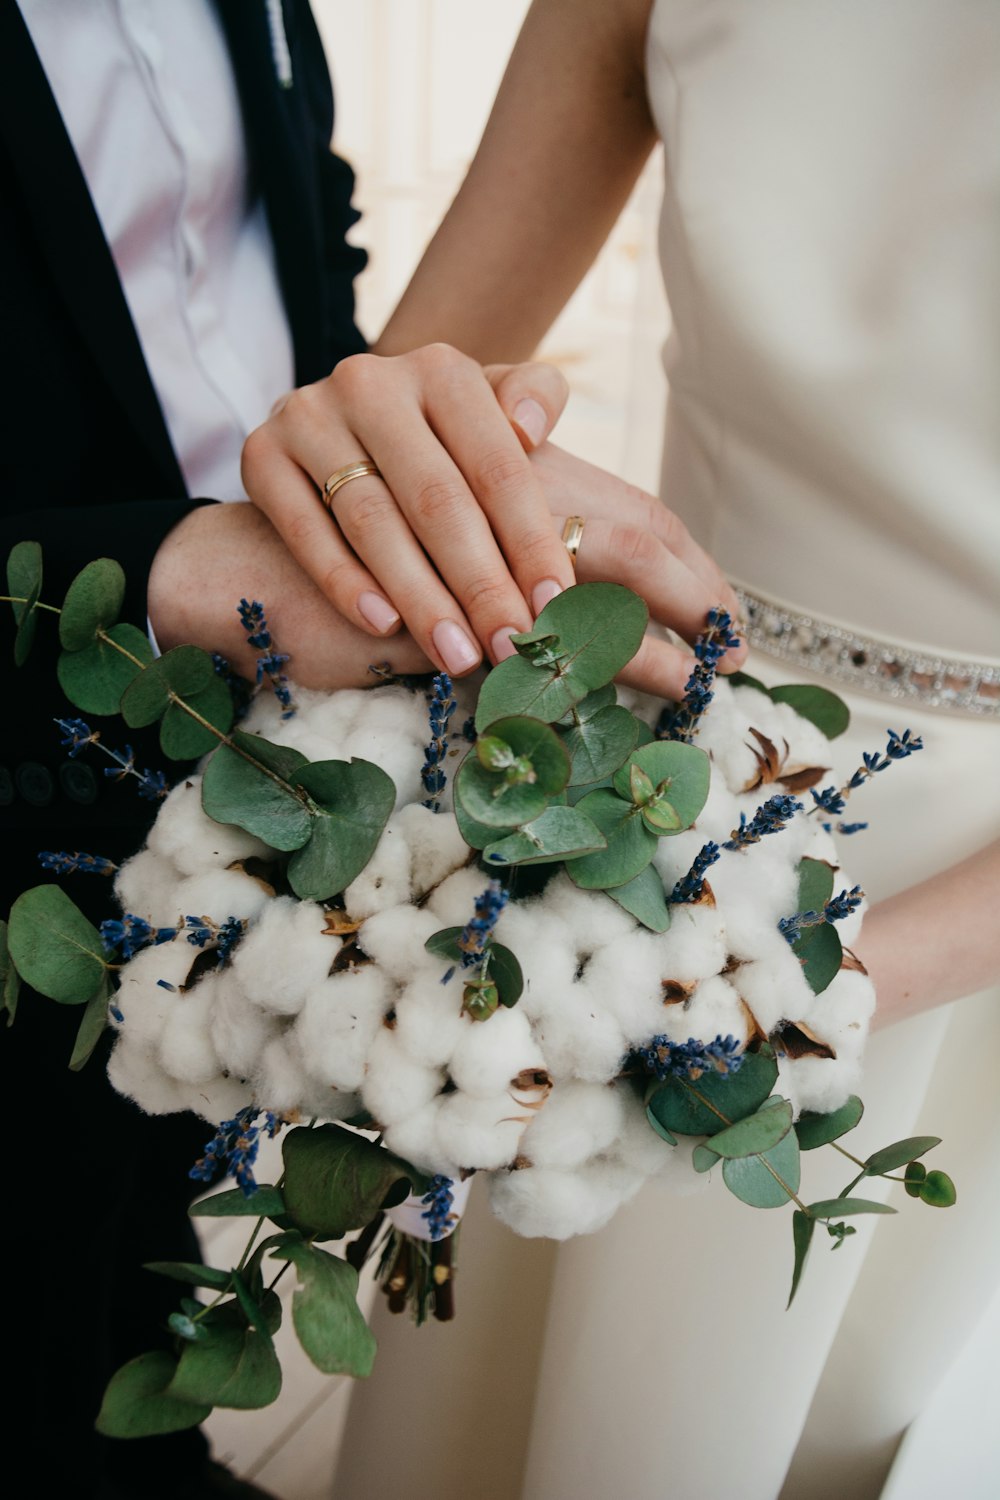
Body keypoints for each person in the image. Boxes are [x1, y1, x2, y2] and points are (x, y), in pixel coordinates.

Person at [236, 2, 1000, 1497]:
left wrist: (789, 1006)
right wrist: (368, 480)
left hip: (951, 933)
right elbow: (421, 389)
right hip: (623, 790)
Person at [1, 4, 742, 1496]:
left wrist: (400, 455)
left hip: (227, 782)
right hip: (83, 661)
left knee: (105, 1277)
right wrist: (156, 574)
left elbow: (264, 248)